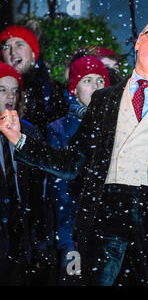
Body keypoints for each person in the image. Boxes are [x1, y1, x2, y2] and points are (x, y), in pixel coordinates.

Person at [0, 16, 148, 286]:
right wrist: (19, 140)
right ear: (138, 42)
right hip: (103, 222)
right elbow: (73, 163)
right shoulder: (103, 100)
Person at [46, 56, 110, 285]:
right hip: (73, 231)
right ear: (74, 89)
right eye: (88, 80)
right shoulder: (59, 129)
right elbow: (59, 187)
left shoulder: (116, 125)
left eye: (101, 80)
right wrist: (66, 236)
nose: (95, 86)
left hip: (110, 231)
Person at [0, 62, 49, 285]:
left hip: (23, 233)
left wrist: (40, 239)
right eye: (2, 89)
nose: (10, 96)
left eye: (14, 90)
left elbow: (39, 187)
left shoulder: (28, 131)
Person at [0, 24, 68, 136]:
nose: (13, 52)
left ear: (33, 54)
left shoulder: (55, 91)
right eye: (6, 47)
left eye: (19, 45)